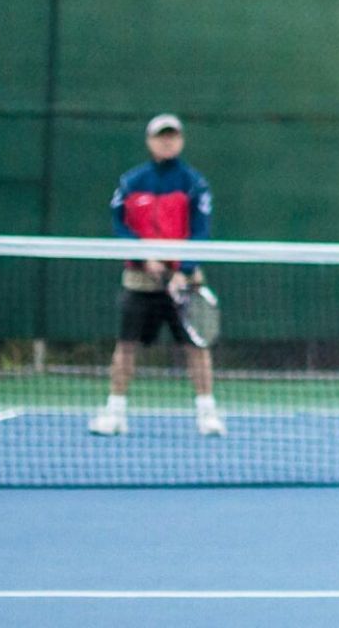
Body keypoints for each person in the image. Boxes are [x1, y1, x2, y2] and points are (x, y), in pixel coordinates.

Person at [88, 113, 225, 437]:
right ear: (150, 141)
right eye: (161, 135)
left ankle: (207, 414)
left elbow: (201, 231)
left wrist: (184, 271)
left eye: (173, 135)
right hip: (139, 280)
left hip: (184, 281)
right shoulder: (131, 182)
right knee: (125, 346)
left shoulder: (194, 183)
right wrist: (143, 256)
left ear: (180, 140)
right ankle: (115, 413)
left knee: (197, 348)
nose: (167, 140)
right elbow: (120, 226)